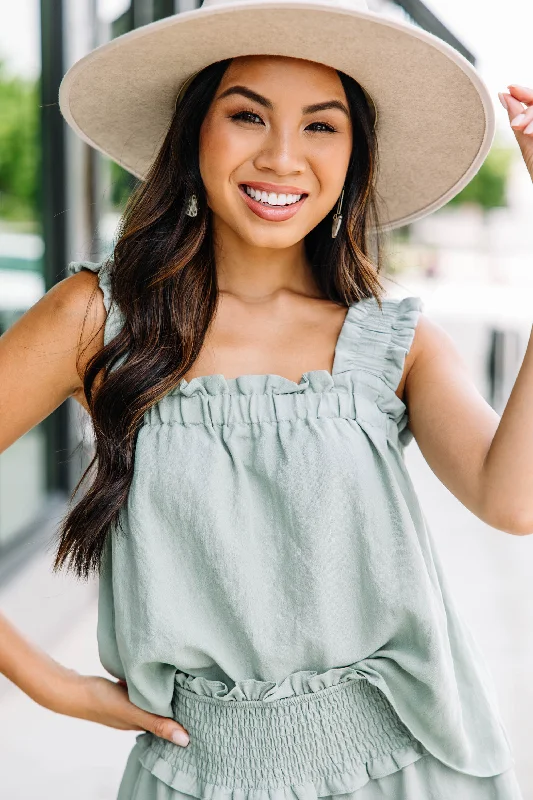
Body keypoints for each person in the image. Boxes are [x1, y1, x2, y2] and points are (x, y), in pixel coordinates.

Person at [1, 0, 533, 797]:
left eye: (321, 126)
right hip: (196, 769)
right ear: (193, 137)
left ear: (354, 160)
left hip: (410, 766)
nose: (282, 157)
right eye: (247, 115)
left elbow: (512, 499)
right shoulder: (98, 320)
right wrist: (45, 681)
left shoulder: (391, 342)